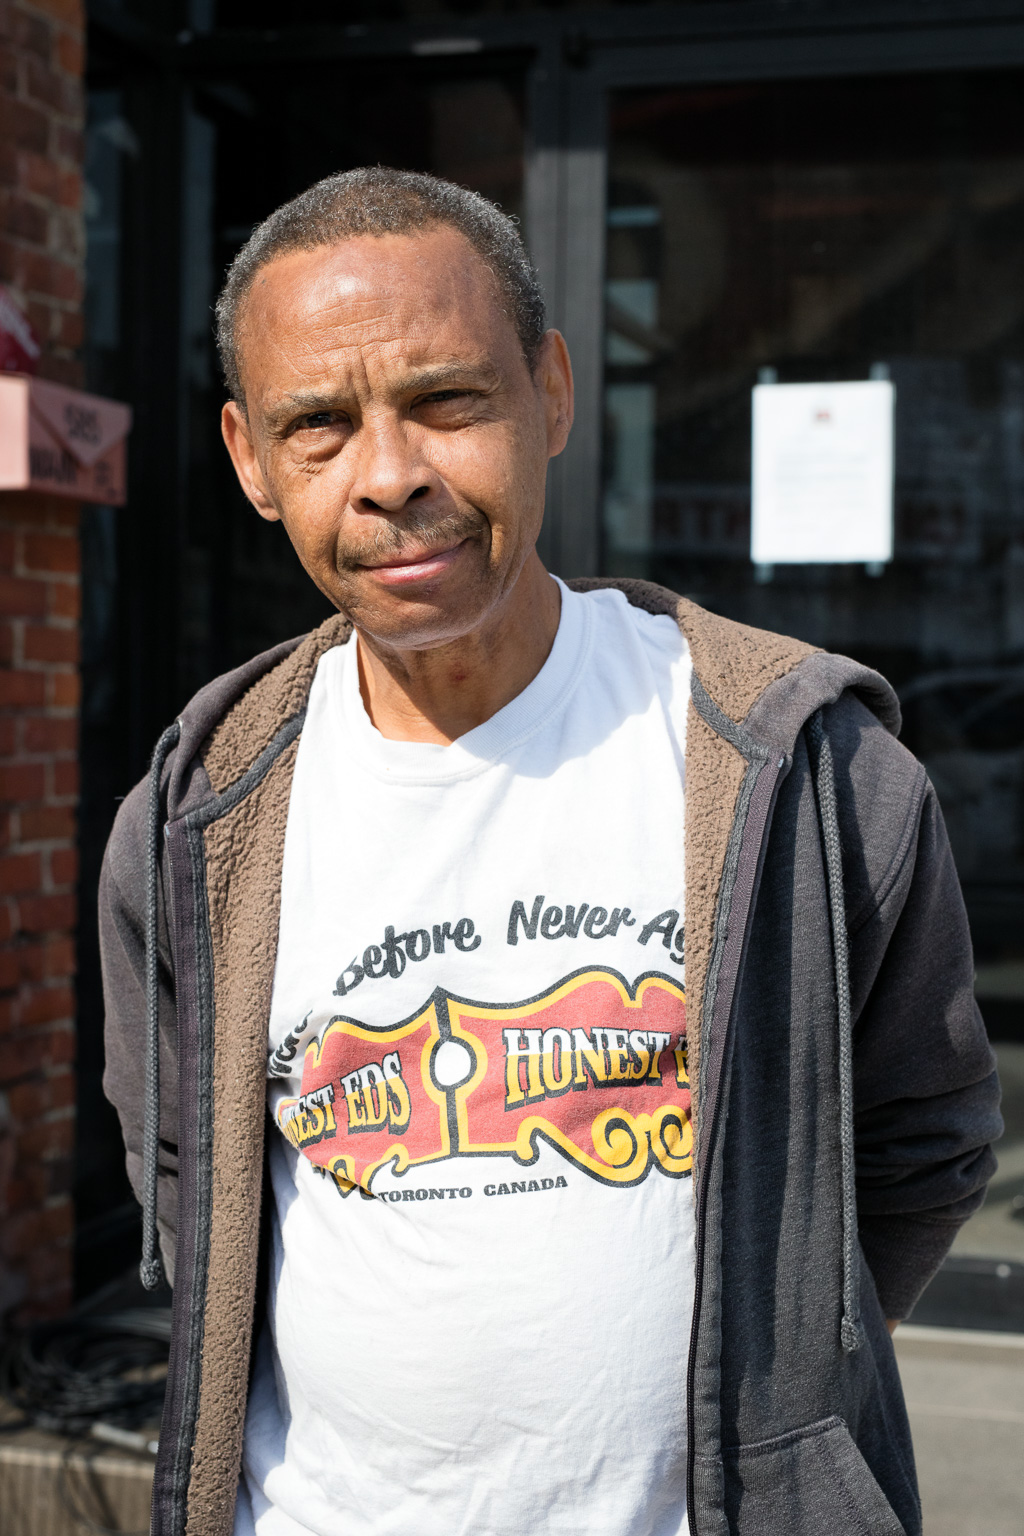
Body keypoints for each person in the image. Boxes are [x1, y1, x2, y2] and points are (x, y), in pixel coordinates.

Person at [101, 168, 1001, 1536]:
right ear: (249, 460)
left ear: (554, 393)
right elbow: (194, 1191)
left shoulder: (797, 767)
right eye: (320, 426)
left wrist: (784, 1407)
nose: (391, 475)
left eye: (448, 401)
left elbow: (923, 1142)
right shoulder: (197, 816)